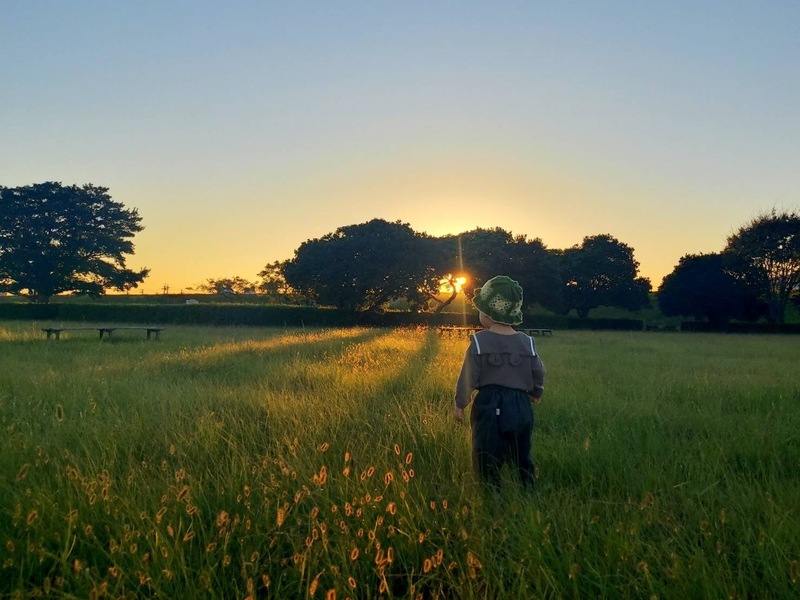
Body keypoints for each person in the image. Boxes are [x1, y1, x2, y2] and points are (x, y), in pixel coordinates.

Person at [453, 275, 545, 487]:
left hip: (489, 403)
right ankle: (526, 486)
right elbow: (538, 371)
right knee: (522, 450)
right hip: (521, 405)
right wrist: (535, 393)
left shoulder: (479, 341)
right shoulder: (527, 342)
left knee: (486, 451)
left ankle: (491, 490)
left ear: (487, 313)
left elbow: (468, 375)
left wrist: (460, 403)